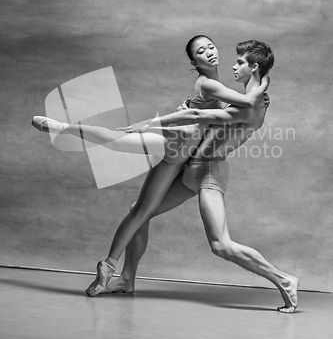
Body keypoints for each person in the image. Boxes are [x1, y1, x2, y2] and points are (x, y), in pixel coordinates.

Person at [31, 37, 268, 286]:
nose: (209, 53)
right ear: (193, 61)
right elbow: (245, 103)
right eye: (201, 51)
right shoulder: (208, 84)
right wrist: (264, 83)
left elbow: (220, 113)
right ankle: (64, 127)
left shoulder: (215, 85)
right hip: (176, 142)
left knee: (141, 211)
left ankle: (113, 267)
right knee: (118, 141)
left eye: (210, 47)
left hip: (182, 155)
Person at [88, 40, 299, 313]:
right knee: (139, 213)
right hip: (192, 168)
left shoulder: (250, 107)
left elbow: (197, 112)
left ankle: (284, 280)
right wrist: (261, 83)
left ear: (254, 67)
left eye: (240, 62)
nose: (232, 65)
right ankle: (127, 278)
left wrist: (149, 123)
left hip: (209, 171)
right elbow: (215, 104)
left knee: (220, 245)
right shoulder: (254, 92)